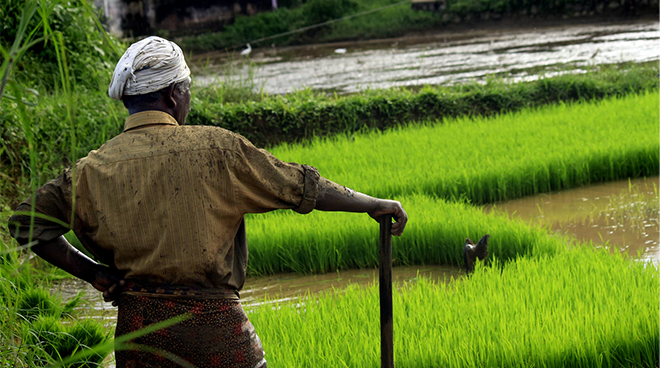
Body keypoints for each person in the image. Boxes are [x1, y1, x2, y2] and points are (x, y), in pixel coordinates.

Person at [7, 36, 407, 368]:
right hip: (216, 332)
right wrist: (373, 203)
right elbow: (301, 186)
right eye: (187, 89)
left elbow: (25, 223)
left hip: (139, 337)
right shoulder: (217, 148)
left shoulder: (90, 169)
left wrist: (95, 273)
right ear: (173, 94)